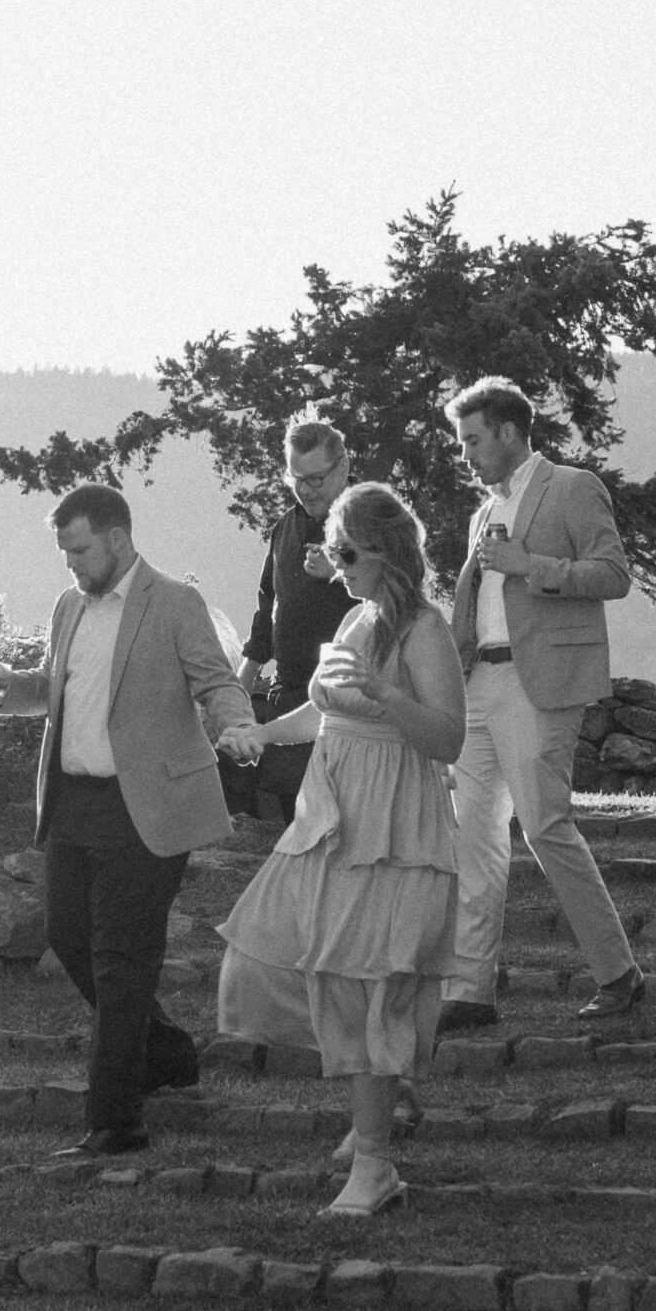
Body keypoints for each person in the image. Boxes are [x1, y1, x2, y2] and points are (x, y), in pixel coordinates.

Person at [0, 484, 257, 1157]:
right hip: (73, 803)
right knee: (68, 937)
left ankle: (115, 1122)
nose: (70, 563)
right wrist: (2, 685)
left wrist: (237, 723)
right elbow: (58, 687)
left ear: (115, 538)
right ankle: (164, 1053)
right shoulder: (68, 604)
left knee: (120, 962)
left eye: (77, 549)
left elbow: (214, 681)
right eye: (63, 552)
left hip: (145, 808)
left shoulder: (175, 602)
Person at [215, 481, 466, 1217]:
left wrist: (388, 697)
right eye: (331, 549)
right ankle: (380, 1100)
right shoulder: (356, 619)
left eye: (346, 550)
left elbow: (447, 737)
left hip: (394, 818)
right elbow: (323, 712)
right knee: (263, 951)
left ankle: (375, 1159)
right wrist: (261, 733)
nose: (336, 563)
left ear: (385, 548)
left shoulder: (422, 627)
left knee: (363, 982)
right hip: (331, 812)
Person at [438, 376, 644, 1034]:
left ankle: (618, 974)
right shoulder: (478, 512)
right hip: (478, 685)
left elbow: (613, 574)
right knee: (471, 835)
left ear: (505, 431)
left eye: (471, 440)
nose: (464, 454)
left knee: (545, 827)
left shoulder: (572, 487)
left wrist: (531, 564)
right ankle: (469, 990)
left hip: (541, 683)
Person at [232, 415, 357, 824]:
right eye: (295, 478)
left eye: (315, 479)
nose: (304, 489)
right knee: (294, 822)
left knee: (344, 823)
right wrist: (245, 678)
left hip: (350, 699)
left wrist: (339, 574)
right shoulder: (285, 527)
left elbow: (400, 587)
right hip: (289, 693)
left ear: (342, 467)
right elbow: (267, 604)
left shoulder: (369, 518)